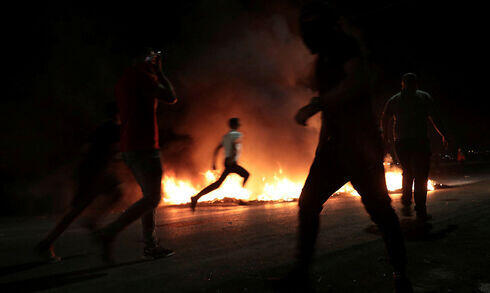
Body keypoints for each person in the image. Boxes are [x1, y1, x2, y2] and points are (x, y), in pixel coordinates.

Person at [286, 2, 412, 292]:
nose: (305, 34)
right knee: (308, 203)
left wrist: (316, 104)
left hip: (359, 147)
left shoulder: (344, 45)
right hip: (333, 148)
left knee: (379, 210)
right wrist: (321, 145)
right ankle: (301, 274)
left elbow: (356, 83)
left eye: (308, 26)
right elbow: (332, 109)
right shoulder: (322, 59)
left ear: (321, 25)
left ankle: (400, 274)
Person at [95, 49, 177, 262]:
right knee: (153, 198)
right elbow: (171, 96)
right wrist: (160, 72)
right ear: (141, 59)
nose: (152, 60)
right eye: (150, 56)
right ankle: (109, 233)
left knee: (148, 197)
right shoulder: (144, 78)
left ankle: (150, 245)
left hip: (130, 147)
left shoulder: (124, 80)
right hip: (145, 146)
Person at [35, 102, 122, 262]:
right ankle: (93, 225)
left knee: (77, 209)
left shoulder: (101, 127)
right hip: (96, 171)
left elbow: (87, 148)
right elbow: (115, 150)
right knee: (115, 194)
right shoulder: (114, 127)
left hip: (88, 169)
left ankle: (47, 243)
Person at [381, 73, 449, 221]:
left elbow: (385, 117)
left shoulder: (395, 99)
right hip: (417, 141)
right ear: (415, 84)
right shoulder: (423, 97)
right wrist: (443, 134)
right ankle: (419, 209)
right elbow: (434, 117)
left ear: (402, 84)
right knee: (420, 175)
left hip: (403, 142)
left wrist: (385, 136)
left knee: (409, 172)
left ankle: (407, 202)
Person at [190, 118, 249, 211]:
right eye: (237, 124)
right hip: (230, 164)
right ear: (234, 125)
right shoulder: (229, 137)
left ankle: (196, 197)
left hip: (231, 163)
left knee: (218, 184)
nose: (238, 126)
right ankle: (241, 198)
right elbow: (218, 148)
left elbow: (226, 149)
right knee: (245, 175)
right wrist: (214, 163)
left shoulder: (233, 136)